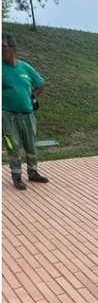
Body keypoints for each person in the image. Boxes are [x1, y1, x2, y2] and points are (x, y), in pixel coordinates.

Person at [2, 32, 49, 190]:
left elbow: (41, 83)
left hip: (28, 115)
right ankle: (16, 177)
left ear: (13, 48)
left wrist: (32, 95)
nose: (1, 50)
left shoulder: (24, 67)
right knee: (13, 147)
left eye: (3, 46)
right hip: (8, 116)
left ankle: (33, 173)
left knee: (30, 145)